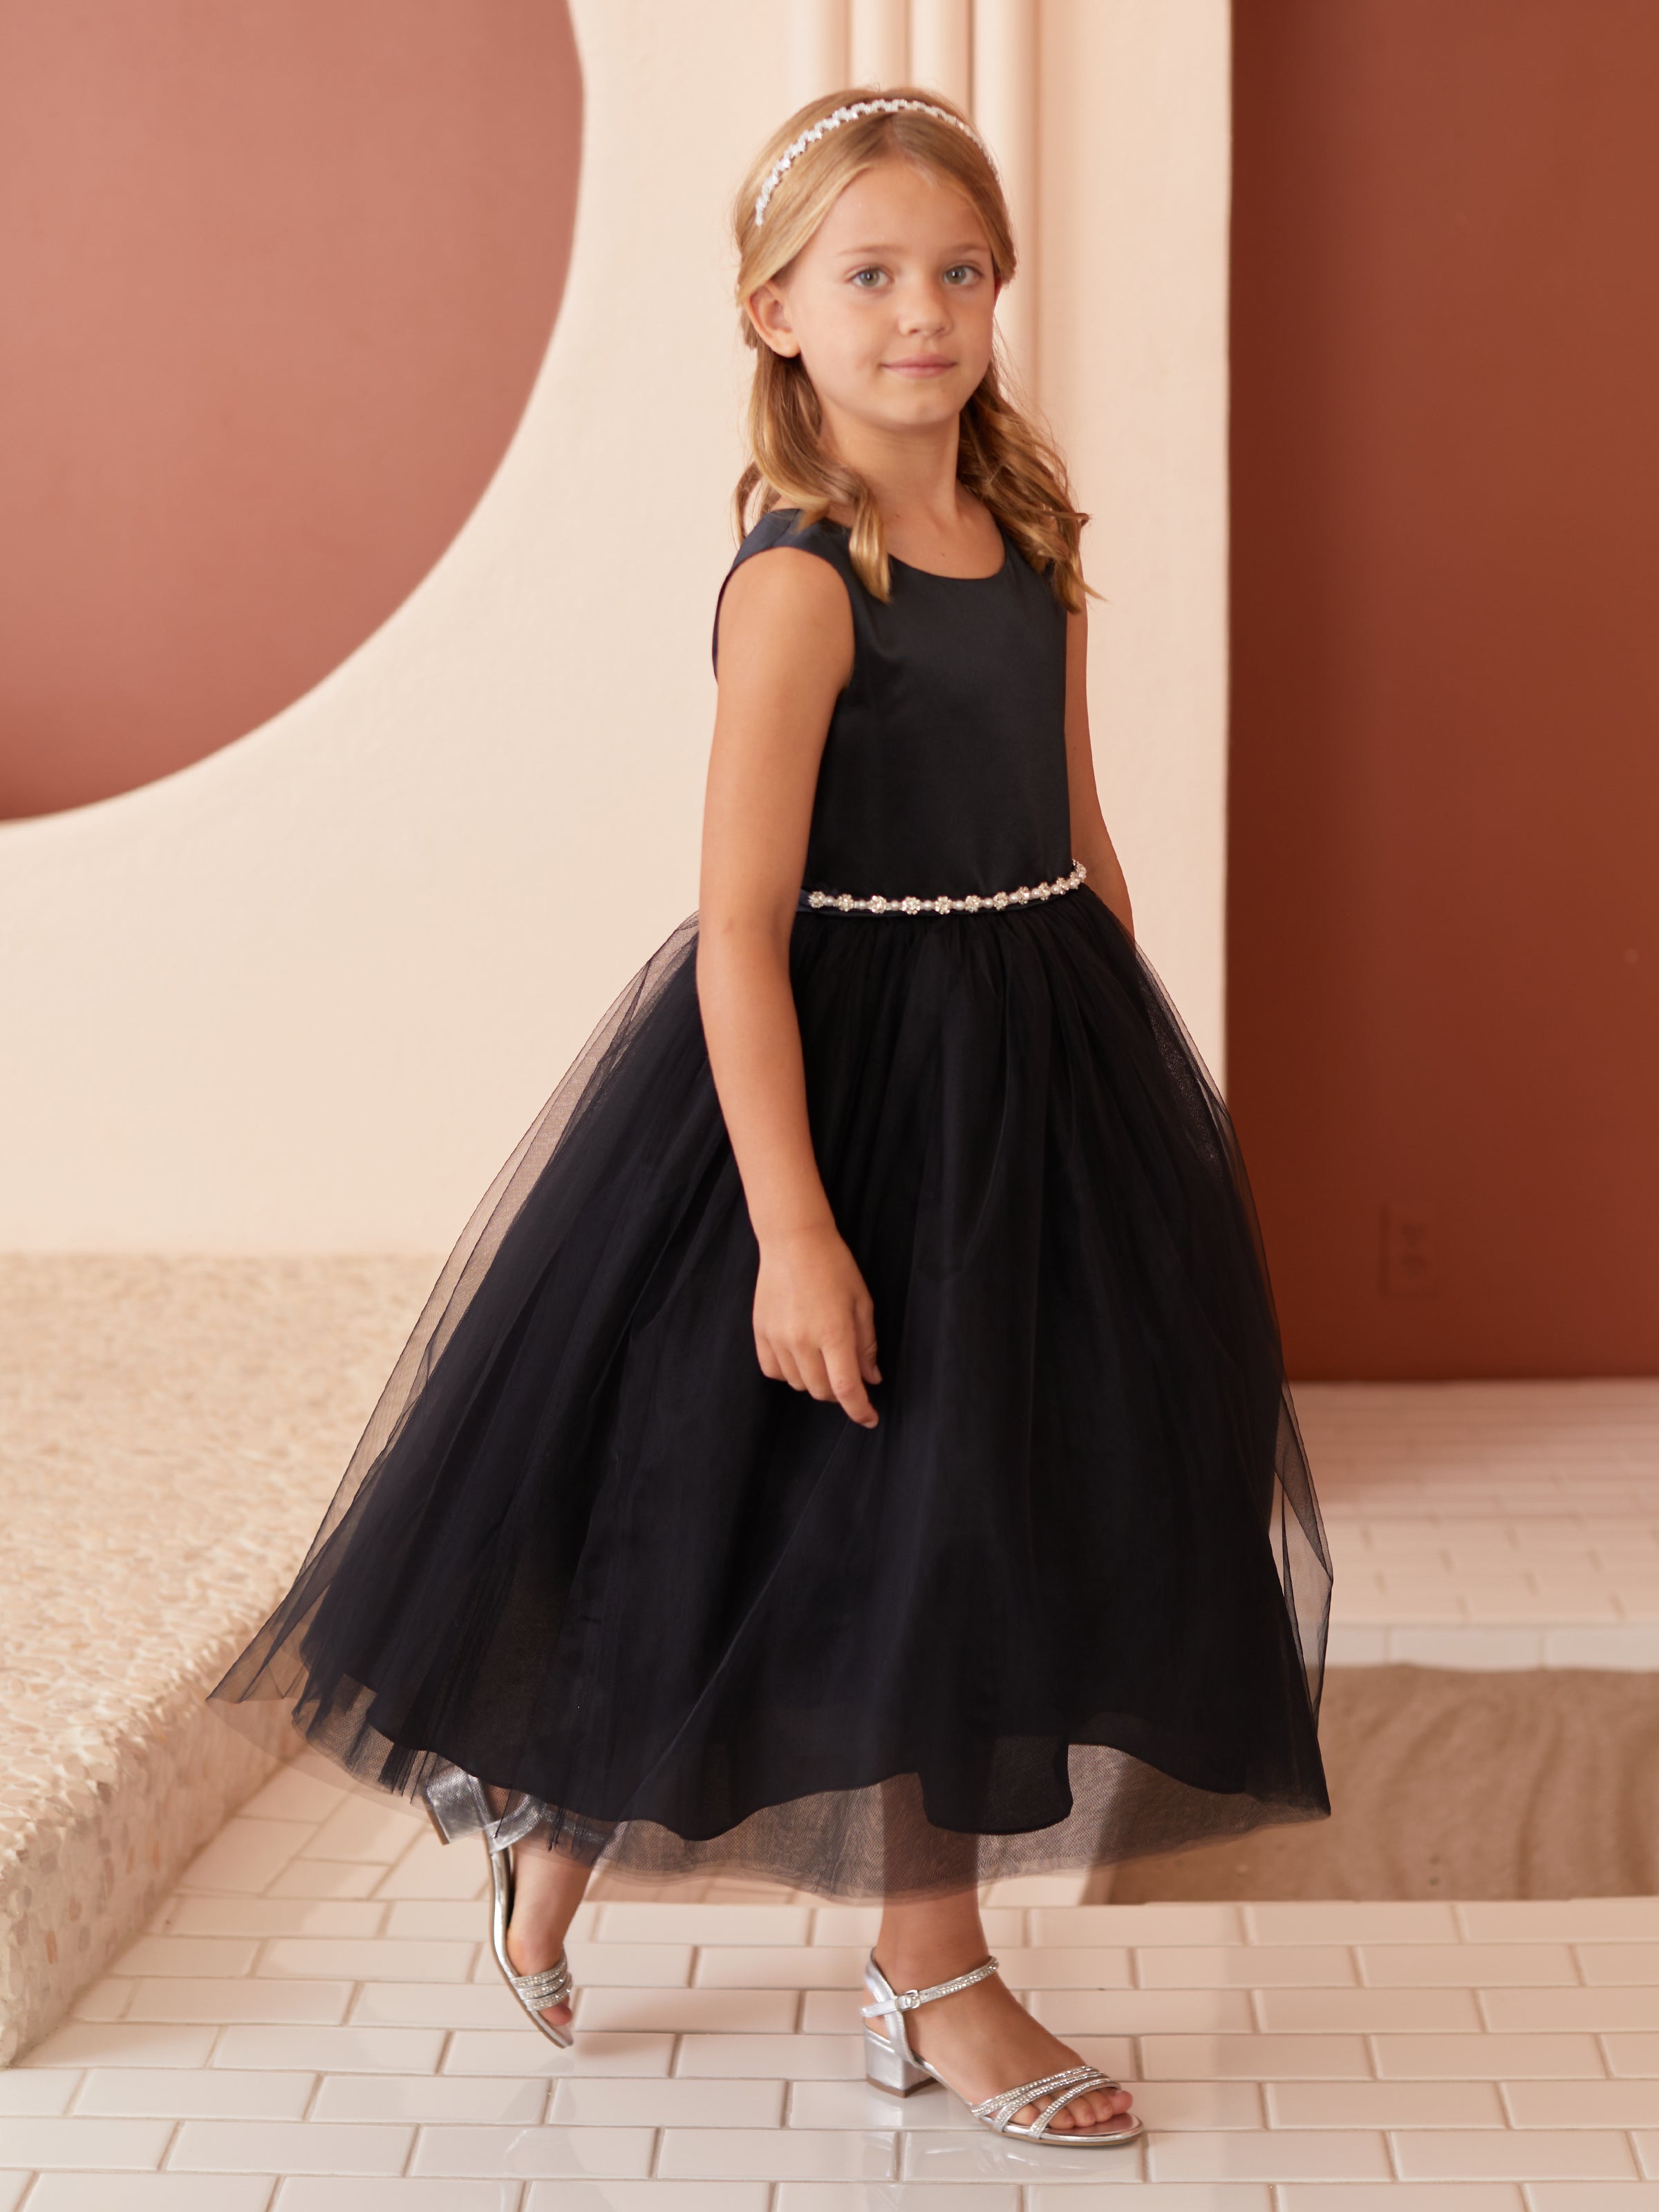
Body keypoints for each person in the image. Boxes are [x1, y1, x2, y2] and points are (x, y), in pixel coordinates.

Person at [214, 89, 1331, 2148]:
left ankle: (607, 1837)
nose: (925, 314)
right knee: (818, 1522)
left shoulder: (1032, 539)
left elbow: (1082, 837)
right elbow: (739, 929)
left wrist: (1133, 1104)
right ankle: (918, 1962)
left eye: (961, 272)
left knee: (963, 1521)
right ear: (776, 312)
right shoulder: (807, 583)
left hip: (1035, 1076)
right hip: (840, 1091)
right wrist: (797, 1229)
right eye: (872, 276)